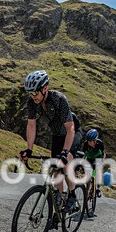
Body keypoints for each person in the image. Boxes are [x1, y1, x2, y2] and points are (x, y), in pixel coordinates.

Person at [18, 70, 83, 213]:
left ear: (44, 88)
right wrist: (29, 150)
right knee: (55, 169)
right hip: (57, 135)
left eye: (35, 92)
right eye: (30, 93)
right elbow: (31, 125)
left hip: (72, 132)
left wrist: (65, 152)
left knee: (65, 163)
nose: (32, 96)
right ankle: (60, 198)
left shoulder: (59, 99)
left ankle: (71, 195)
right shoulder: (32, 102)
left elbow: (70, 128)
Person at [82, 128, 105, 197]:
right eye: (88, 141)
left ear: (95, 140)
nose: (89, 143)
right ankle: (87, 188)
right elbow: (83, 154)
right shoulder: (86, 144)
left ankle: (98, 188)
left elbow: (104, 153)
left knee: (97, 170)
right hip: (89, 157)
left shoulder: (100, 143)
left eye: (91, 141)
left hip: (98, 157)